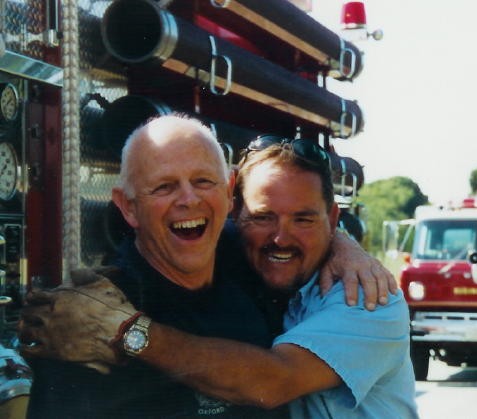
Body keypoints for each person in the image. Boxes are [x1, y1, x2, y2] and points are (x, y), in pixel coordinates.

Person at [19, 114, 399, 418]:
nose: (188, 199)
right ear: (128, 207)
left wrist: (343, 243)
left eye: (203, 181)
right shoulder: (85, 324)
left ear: (227, 192)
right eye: (164, 187)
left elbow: (275, 379)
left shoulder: (252, 272)